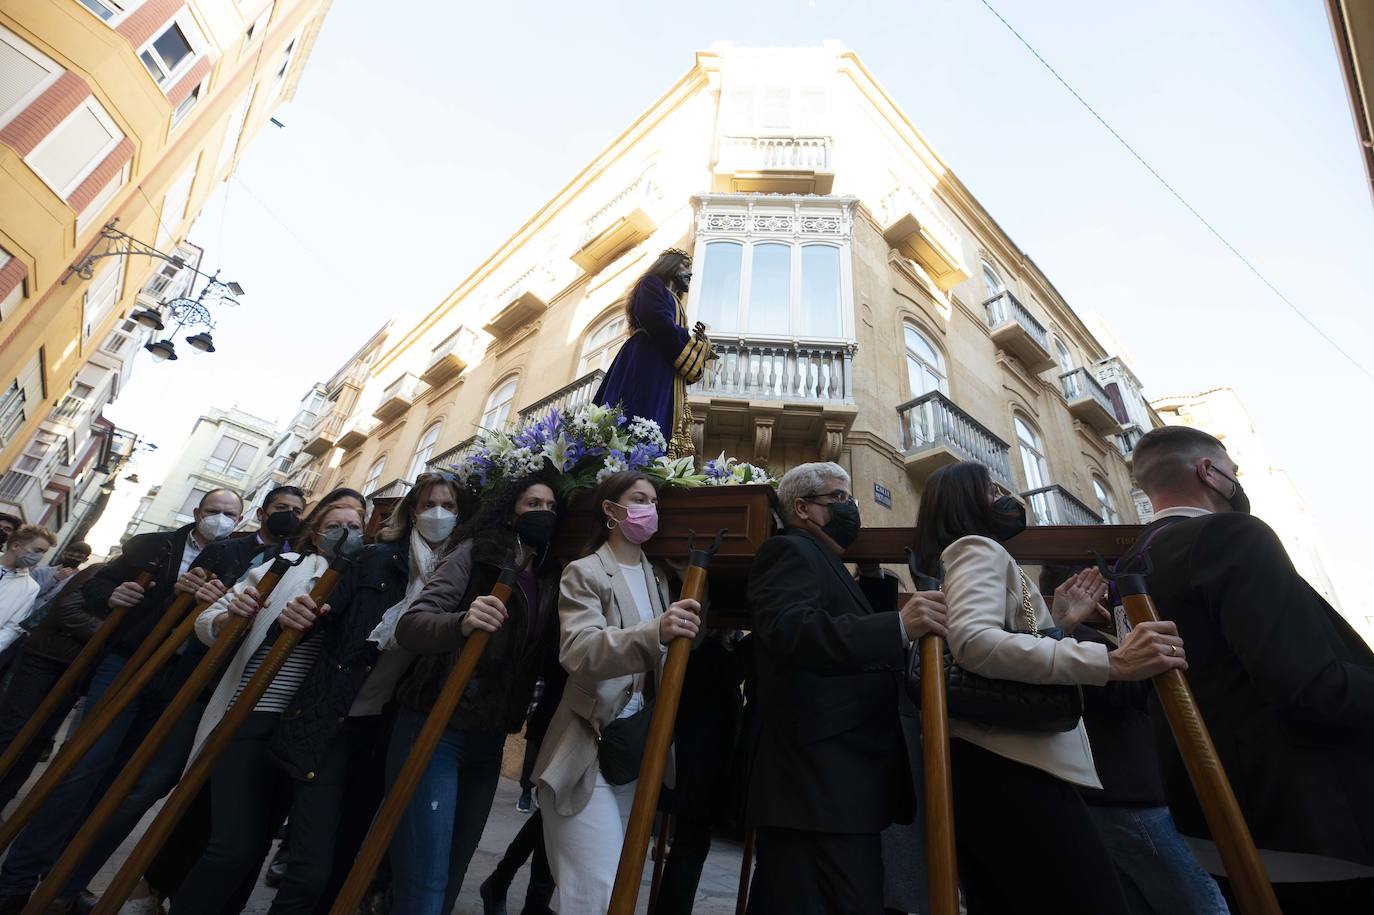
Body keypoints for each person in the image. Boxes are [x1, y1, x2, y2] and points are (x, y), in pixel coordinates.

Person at [912, 461, 1187, 914]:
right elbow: (976, 644)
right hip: (1013, 767)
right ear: (965, 500)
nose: (1006, 497)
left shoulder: (975, 557)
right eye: (992, 489)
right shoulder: (977, 548)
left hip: (996, 763)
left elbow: (1003, 641)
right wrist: (1111, 661)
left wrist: (1057, 624)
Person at [1124, 425, 1374, 910]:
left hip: (1216, 828)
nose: (1236, 480)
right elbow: (1308, 682)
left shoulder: (1136, 561)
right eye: (1233, 471)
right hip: (1315, 816)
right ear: (1210, 473)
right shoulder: (1233, 534)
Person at [0, 489, 254, 913]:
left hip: (176, 680)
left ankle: (64, 881)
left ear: (242, 520)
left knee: (119, 782)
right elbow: (99, 588)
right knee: (82, 768)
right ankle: (18, 878)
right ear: (196, 513)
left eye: (230, 514)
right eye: (213, 512)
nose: (220, 520)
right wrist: (114, 596)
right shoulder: (156, 544)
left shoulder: (240, 559)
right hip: (125, 665)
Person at [262, 473, 465, 915]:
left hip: (383, 733)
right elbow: (325, 618)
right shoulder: (375, 560)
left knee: (346, 864)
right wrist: (303, 614)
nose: (438, 514)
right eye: (429, 503)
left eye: (449, 506)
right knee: (310, 866)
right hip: (332, 719)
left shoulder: (458, 579)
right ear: (412, 511)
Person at [745, 462, 942, 914]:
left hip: (838, 788)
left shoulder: (826, 560)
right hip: (814, 783)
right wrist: (897, 624)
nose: (852, 507)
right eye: (839, 499)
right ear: (802, 508)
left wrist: (871, 579)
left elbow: (841, 623)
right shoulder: (790, 551)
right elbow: (793, 630)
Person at [169, 502, 366, 915]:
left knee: (257, 845)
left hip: (302, 729)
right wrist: (231, 618)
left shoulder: (366, 580)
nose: (344, 532)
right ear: (316, 532)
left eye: (354, 525)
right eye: (334, 525)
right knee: (232, 847)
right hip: (249, 714)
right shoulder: (285, 567)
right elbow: (210, 622)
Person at [383, 473, 562, 915]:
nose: (541, 513)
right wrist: (462, 621)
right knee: (425, 880)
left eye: (550, 506)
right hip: (435, 725)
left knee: (452, 874)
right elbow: (412, 625)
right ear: (509, 510)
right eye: (531, 503)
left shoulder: (551, 578)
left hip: (489, 740)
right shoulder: (474, 552)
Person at [533, 471, 699, 913]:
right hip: (587, 750)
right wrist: (655, 632)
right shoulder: (585, 572)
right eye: (640, 499)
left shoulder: (658, 578)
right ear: (611, 509)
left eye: (656, 502)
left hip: (635, 754)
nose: (651, 510)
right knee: (599, 893)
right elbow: (580, 649)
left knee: (601, 893)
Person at [1037, 563, 1228, 915]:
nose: (1112, 595)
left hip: (1110, 800)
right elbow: (1129, 694)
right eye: (1104, 588)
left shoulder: (1068, 641)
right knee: (1201, 904)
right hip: (1131, 801)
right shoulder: (1080, 642)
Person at [0, 558, 106, 810]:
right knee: (12, 729)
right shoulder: (101, 572)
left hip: (78, 668)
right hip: (45, 657)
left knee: (39, 739)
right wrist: (110, 633)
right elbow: (66, 610)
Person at [592, 248, 713, 457]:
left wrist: (697, 346)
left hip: (663, 367)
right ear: (669, 265)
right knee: (641, 414)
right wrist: (696, 345)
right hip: (647, 362)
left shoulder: (674, 301)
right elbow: (658, 321)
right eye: (685, 265)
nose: (690, 272)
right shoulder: (650, 284)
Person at [0, 525, 56, 665]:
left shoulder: (30, 588)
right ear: (15, 545)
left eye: (43, 553)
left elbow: (13, 627)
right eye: (37, 550)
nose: (39, 557)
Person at [29, 542, 92, 618]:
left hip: (49, 619)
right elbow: (28, 593)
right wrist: (55, 579)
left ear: (85, 560)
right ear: (64, 554)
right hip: (28, 612)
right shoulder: (41, 571)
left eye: (79, 557)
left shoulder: (81, 581)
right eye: (70, 555)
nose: (73, 559)